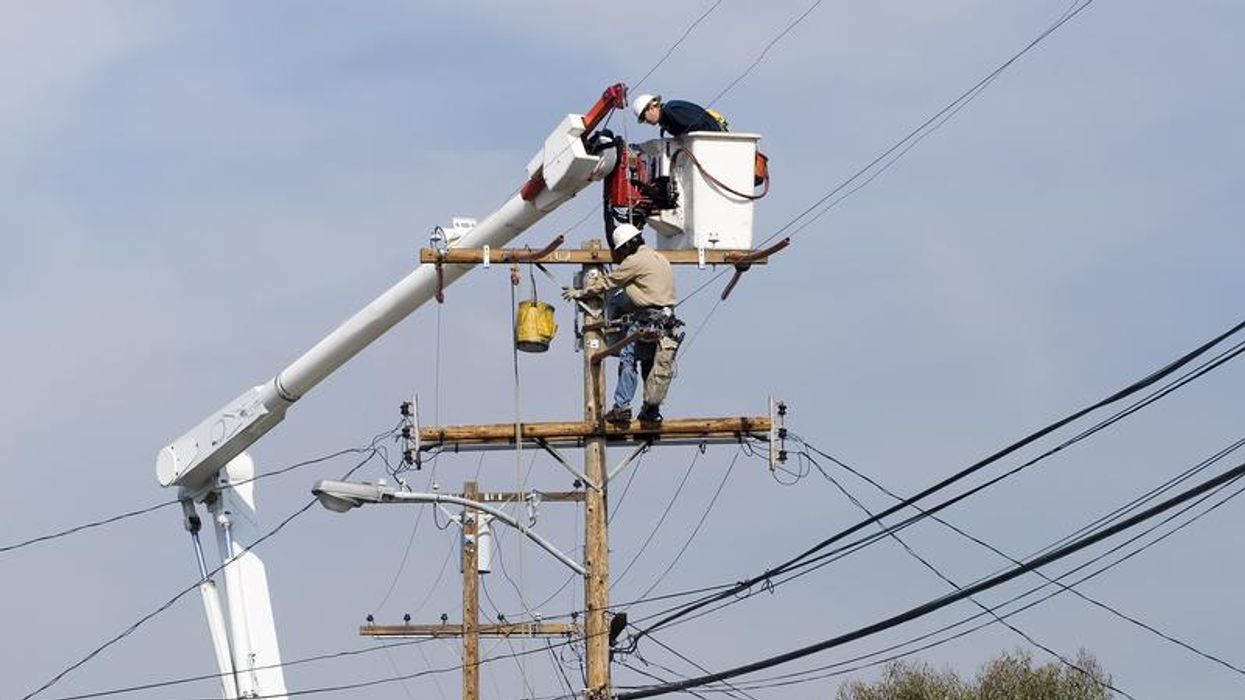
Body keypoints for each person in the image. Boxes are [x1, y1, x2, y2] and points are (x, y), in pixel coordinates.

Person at [562, 224, 677, 424]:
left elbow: (608, 282)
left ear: (628, 246)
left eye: (622, 250)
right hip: (666, 325)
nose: (622, 255)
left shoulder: (635, 261)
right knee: (652, 365)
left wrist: (579, 293)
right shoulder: (660, 259)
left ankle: (621, 407)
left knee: (628, 360)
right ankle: (651, 410)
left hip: (646, 319)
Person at [631, 93, 726, 137]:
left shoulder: (671, 110)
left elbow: (699, 125)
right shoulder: (666, 121)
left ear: (651, 108)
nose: (645, 121)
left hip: (716, 140)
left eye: (644, 117)